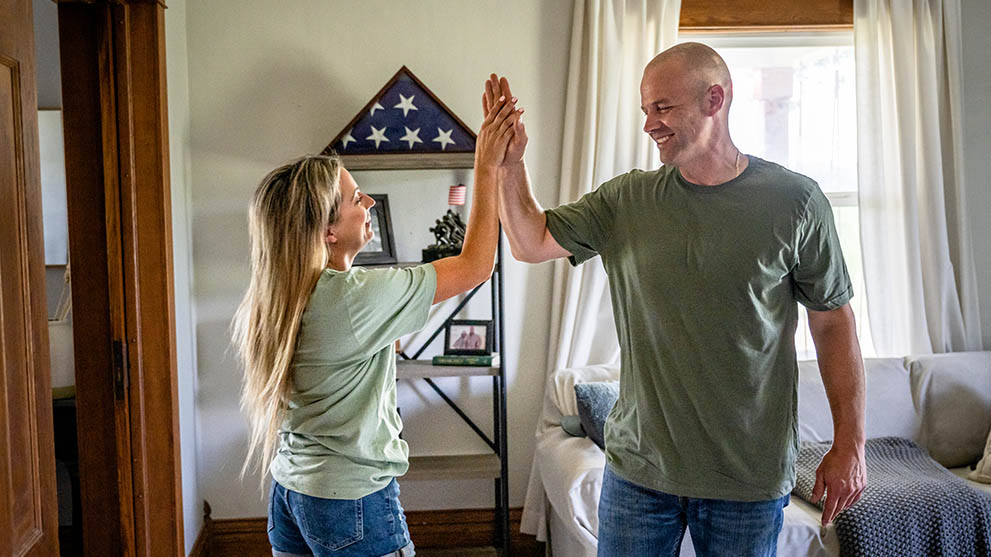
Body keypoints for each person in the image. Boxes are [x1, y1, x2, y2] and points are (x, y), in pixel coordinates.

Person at [487, 41, 866, 556]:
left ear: (715, 99)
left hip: (748, 478)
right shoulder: (625, 201)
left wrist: (850, 443)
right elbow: (530, 242)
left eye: (662, 107)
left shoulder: (795, 201)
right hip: (640, 474)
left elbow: (833, 323)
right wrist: (510, 165)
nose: (650, 124)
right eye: (645, 110)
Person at [231, 85, 523, 557]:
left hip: (291, 493)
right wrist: (487, 166)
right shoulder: (352, 296)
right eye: (355, 198)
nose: (368, 203)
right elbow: (474, 266)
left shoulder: (274, 295)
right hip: (351, 500)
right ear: (327, 231)